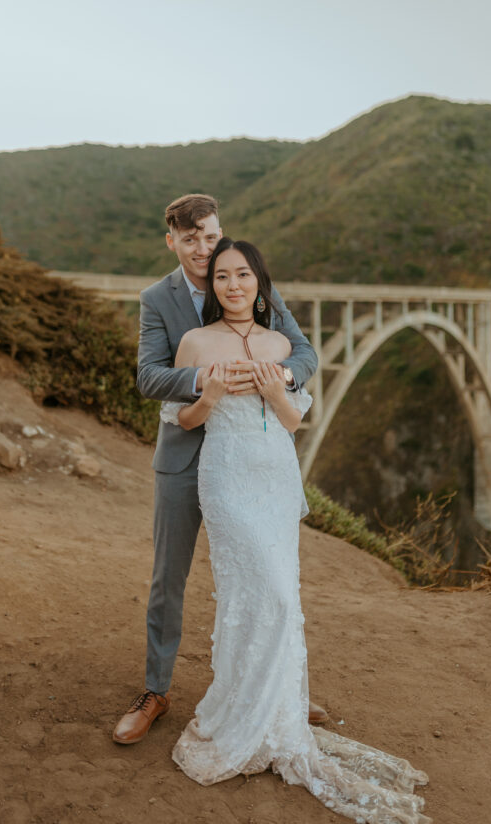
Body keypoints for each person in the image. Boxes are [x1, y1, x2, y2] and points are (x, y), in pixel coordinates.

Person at [160, 237, 431, 822]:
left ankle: (275, 717)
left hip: (276, 478)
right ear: (212, 285)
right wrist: (206, 395)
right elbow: (180, 419)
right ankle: (240, 719)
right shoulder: (194, 342)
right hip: (227, 478)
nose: (234, 285)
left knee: (279, 596)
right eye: (223, 276)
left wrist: (271, 388)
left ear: (260, 282)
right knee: (266, 598)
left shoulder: (282, 343)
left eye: (244, 275)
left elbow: (293, 422)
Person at [113, 194, 324, 745]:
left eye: (209, 236)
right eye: (191, 240)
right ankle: (155, 691)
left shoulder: (253, 285)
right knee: (170, 577)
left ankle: (274, 684)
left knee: (268, 574)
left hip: (253, 463)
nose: (203, 250)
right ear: (173, 243)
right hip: (187, 453)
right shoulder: (157, 299)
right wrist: (206, 381)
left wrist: (275, 375)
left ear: (220, 231)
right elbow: (149, 377)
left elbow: (305, 355)